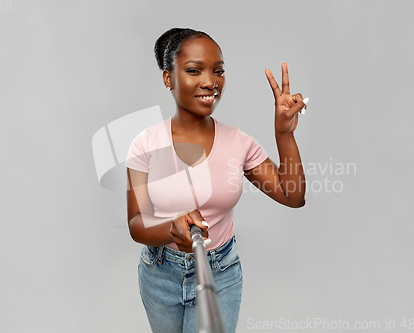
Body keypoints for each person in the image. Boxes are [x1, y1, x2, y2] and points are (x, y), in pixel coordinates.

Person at [125, 27, 307, 333]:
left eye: (218, 71)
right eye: (194, 70)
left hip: (220, 273)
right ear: (168, 78)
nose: (211, 82)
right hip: (160, 274)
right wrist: (170, 227)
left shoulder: (238, 143)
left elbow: (293, 196)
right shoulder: (145, 144)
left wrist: (284, 134)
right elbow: (136, 224)